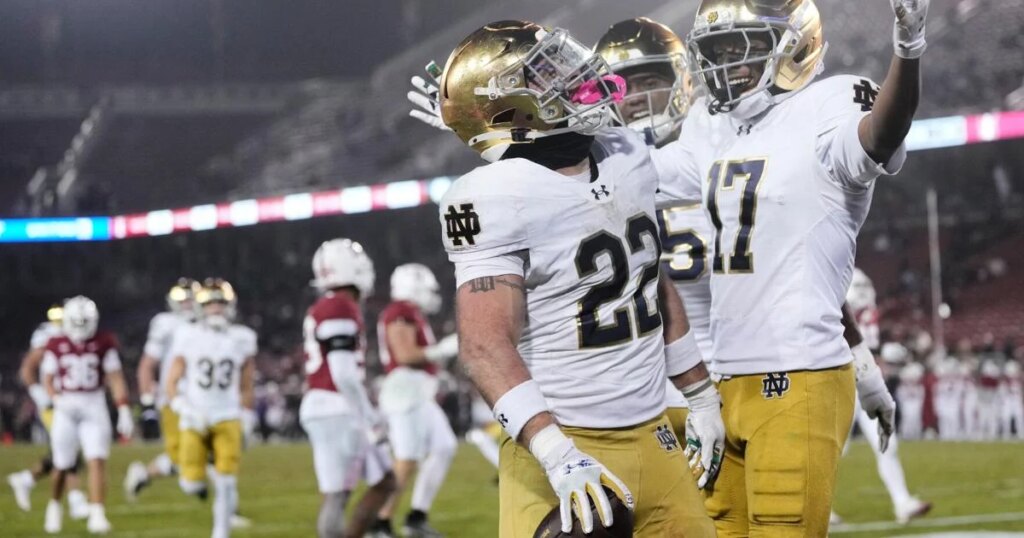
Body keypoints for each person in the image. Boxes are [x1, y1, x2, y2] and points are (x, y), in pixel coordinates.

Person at [433, 20, 722, 536]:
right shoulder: (492, 196)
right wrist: (554, 452)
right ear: (512, 111)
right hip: (565, 441)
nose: (576, 77)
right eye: (548, 76)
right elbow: (483, 347)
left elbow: (651, 279)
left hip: (655, 434)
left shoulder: (626, 153)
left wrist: (699, 394)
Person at [650, 0, 926, 532]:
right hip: (724, 382)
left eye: (740, 49)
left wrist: (907, 50)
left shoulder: (830, 100)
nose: (725, 65)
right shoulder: (718, 128)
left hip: (796, 373)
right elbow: (635, 178)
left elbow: (879, 135)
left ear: (793, 44)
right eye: (718, 52)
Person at [301, 239, 396, 538]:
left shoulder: (332, 304)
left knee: (385, 481)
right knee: (337, 495)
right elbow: (343, 374)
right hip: (336, 407)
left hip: (331, 406)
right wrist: (370, 416)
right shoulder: (339, 305)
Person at [164, 279, 257, 538]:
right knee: (190, 483)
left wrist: (247, 415)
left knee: (227, 480)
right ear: (200, 308)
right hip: (195, 413)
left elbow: (247, 382)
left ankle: (220, 532)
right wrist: (182, 406)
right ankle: (198, 479)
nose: (216, 309)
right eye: (210, 304)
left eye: (221, 303)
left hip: (227, 414)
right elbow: (172, 380)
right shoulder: (187, 335)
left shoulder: (243, 337)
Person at [372, 263, 458, 538]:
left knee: (444, 446)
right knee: (406, 460)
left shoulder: (411, 312)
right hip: (405, 391)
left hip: (418, 391)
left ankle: (416, 516)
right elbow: (405, 355)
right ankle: (380, 523)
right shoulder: (401, 311)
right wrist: (443, 349)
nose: (432, 295)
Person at [40, 296, 133, 534]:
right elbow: (48, 379)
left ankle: (97, 513)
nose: (81, 327)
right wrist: (56, 398)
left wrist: (123, 407)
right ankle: (54, 505)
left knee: (97, 459)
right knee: (62, 464)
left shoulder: (104, 342)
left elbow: (115, 376)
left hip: (93, 403)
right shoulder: (55, 342)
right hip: (66, 405)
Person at [7, 304, 90, 520]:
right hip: (54, 402)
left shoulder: (80, 334)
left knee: (65, 450)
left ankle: (26, 479)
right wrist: (40, 394)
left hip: (72, 400)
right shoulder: (48, 333)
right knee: (69, 447)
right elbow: (28, 367)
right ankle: (75, 500)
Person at [124, 278, 196, 500]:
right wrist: (147, 403)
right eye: (180, 298)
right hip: (174, 397)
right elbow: (147, 365)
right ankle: (143, 474)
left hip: (202, 397)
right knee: (180, 457)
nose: (185, 303)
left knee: (202, 450)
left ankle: (224, 505)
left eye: (189, 297)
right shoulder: (165, 323)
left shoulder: (206, 322)